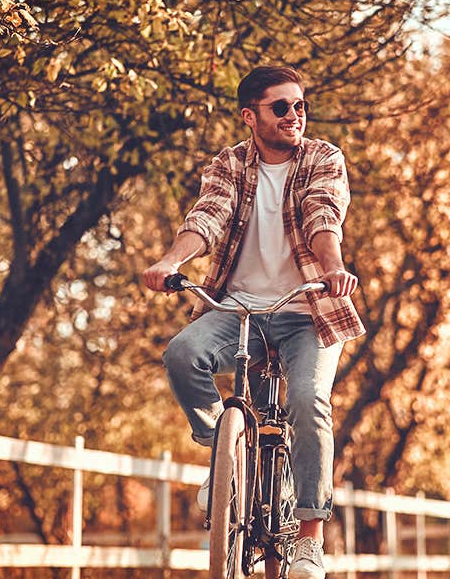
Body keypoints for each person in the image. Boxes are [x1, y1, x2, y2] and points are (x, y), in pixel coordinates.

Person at [143, 65, 364, 579]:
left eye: (300, 106)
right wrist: (171, 262)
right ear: (251, 116)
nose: (295, 116)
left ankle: (310, 537)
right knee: (182, 354)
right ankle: (223, 460)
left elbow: (321, 214)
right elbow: (208, 217)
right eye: (281, 107)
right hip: (236, 309)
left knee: (308, 401)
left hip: (308, 310)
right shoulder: (230, 164)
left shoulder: (323, 158)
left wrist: (333, 269)